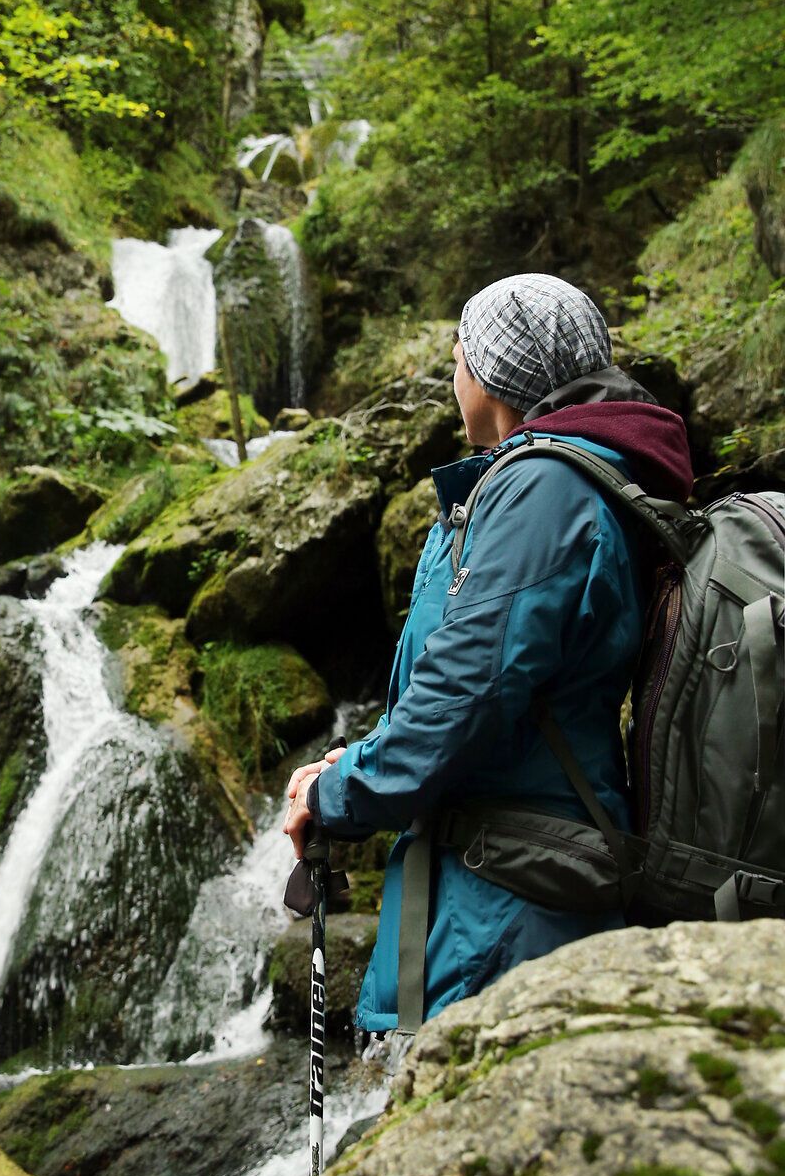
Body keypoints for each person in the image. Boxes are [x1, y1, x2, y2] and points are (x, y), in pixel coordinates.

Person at [283, 272, 694, 1036]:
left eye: (461, 353)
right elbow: (458, 685)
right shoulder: (538, 483)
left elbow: (467, 696)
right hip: (493, 884)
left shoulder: (544, 490)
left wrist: (338, 799)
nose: (454, 370)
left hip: (513, 901)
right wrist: (350, 764)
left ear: (496, 373)